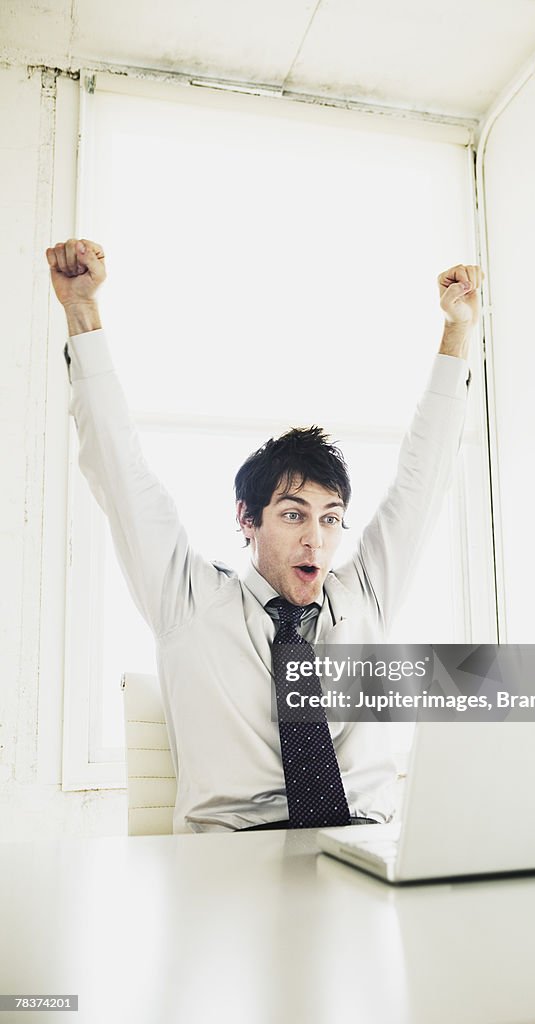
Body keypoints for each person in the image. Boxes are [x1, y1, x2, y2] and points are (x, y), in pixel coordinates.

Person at [46, 238, 483, 833]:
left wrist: (457, 332)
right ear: (247, 520)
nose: (316, 541)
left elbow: (422, 482)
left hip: (365, 847)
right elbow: (119, 470)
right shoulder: (190, 601)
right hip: (233, 858)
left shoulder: (363, 596)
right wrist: (81, 312)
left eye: (330, 518)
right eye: (293, 514)